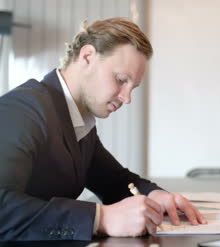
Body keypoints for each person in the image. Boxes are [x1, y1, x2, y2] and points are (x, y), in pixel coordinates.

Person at [0, 17, 206, 241]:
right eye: (120, 79)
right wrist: (101, 218)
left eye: (132, 87)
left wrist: (156, 196)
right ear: (87, 56)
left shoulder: (78, 120)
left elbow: (114, 181)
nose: (126, 98)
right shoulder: (23, 109)